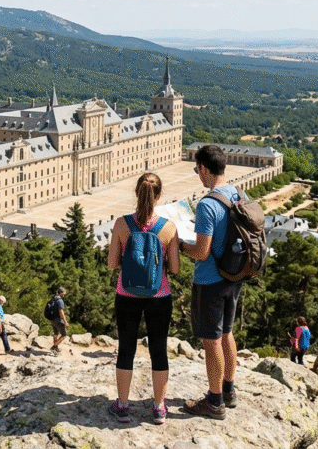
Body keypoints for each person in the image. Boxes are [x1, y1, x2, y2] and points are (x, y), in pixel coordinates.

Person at [107, 172, 180, 425]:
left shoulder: (121, 224)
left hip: (126, 294)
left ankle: (122, 405)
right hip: (159, 295)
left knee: (126, 349)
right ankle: (158, 407)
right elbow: (175, 269)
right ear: (159, 196)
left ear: (136, 193)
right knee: (159, 350)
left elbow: (112, 262)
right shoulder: (168, 227)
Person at [179, 145, 241, 420]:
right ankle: (228, 390)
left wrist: (181, 245)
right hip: (234, 276)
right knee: (227, 333)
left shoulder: (207, 204)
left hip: (210, 280)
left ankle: (214, 402)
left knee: (211, 340)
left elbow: (201, 252)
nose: (198, 174)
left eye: (197, 169)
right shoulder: (237, 194)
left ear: (204, 168)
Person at [49, 288, 69, 354]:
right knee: (64, 334)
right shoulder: (60, 301)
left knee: (56, 333)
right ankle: (54, 347)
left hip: (52, 319)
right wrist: (65, 321)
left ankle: (56, 348)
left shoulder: (53, 299)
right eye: (64, 293)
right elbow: (61, 312)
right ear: (61, 293)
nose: (64, 295)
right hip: (58, 319)